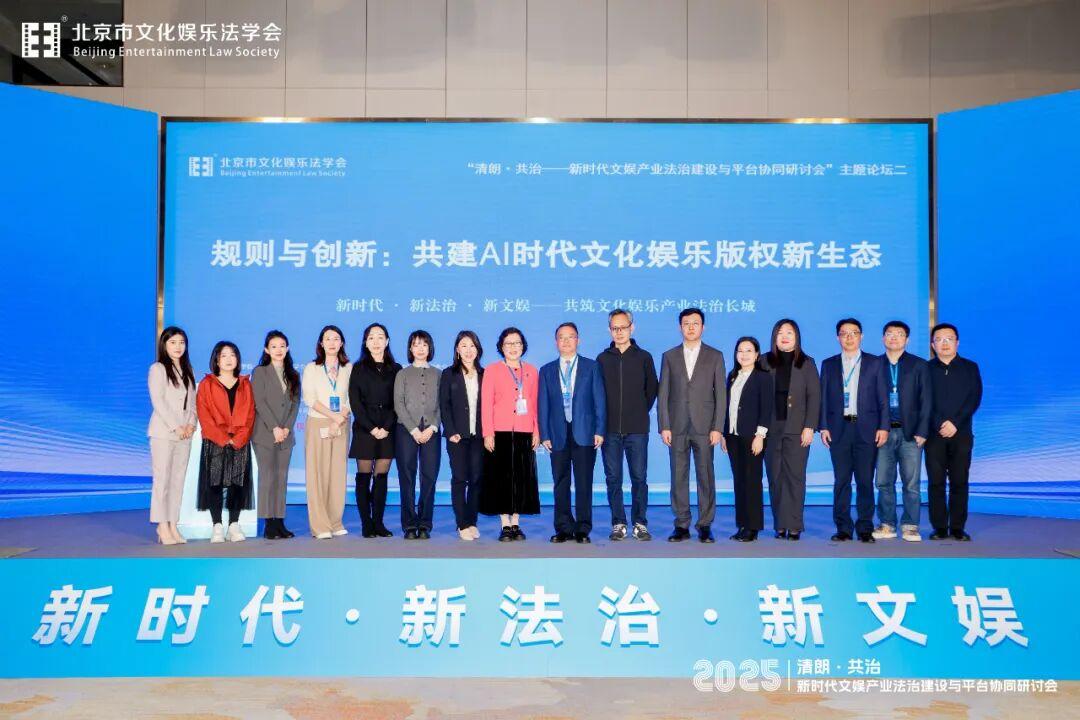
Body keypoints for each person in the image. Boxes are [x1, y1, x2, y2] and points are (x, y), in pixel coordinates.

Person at [657, 307, 727, 543]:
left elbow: (721, 395)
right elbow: (663, 393)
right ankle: (681, 524)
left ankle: (705, 524)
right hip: (676, 426)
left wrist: (717, 427)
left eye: (695, 323)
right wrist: (664, 425)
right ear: (680, 327)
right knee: (678, 476)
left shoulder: (715, 356)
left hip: (705, 427)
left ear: (703, 327)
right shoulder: (669, 356)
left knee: (705, 475)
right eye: (686, 323)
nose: (690, 327)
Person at [819, 318, 889, 543]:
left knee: (865, 480)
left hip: (867, 429)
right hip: (838, 429)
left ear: (861, 336)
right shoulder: (828, 364)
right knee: (841, 481)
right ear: (837, 337)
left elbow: (883, 398)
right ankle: (843, 528)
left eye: (854, 333)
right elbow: (823, 398)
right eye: (844, 333)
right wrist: (823, 426)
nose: (849, 337)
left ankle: (865, 527)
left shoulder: (875, 363)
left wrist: (884, 426)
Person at [539, 322, 606, 544]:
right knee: (560, 481)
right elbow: (543, 404)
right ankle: (563, 527)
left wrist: (600, 429)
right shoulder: (547, 370)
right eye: (562, 337)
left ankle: (583, 528)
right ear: (556, 342)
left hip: (585, 432)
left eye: (571, 337)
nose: (566, 341)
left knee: (584, 482)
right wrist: (544, 433)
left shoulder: (591, 366)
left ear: (578, 340)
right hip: (557, 433)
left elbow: (599, 401)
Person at [596, 308, 658, 541]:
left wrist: (638, 411)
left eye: (623, 327)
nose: (619, 332)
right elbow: (598, 394)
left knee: (639, 478)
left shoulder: (644, 357)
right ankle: (618, 522)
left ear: (632, 328)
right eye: (615, 328)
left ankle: (640, 523)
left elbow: (651, 390)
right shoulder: (602, 359)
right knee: (613, 478)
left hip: (637, 429)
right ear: (609, 330)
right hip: (610, 430)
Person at [759, 319, 819, 541]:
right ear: (774, 337)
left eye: (789, 333)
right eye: (780, 333)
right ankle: (780, 524)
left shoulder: (807, 363)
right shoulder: (764, 361)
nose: (784, 336)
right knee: (775, 477)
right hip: (770, 429)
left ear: (797, 337)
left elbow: (814, 396)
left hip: (797, 429)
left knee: (795, 478)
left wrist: (809, 426)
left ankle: (794, 525)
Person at [479, 327, 541, 541]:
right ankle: (505, 524)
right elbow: (486, 404)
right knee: (502, 478)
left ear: (523, 346)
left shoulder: (532, 371)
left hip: (525, 430)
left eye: (517, 343)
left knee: (521, 478)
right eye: (509, 343)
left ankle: (516, 523)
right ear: (501, 347)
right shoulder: (492, 370)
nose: (513, 347)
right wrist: (488, 433)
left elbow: (535, 403)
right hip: (500, 431)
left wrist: (536, 430)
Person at [872, 321, 931, 543]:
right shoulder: (874, 364)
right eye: (889, 334)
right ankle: (887, 523)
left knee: (911, 483)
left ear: (907, 339)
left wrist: (922, 431)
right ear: (883, 338)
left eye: (899, 334)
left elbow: (927, 400)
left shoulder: (919, 365)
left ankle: (910, 525)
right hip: (883, 432)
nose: (894, 337)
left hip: (911, 433)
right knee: (883, 481)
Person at [926, 323, 982, 541]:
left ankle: (958, 527)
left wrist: (955, 423)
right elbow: (922, 401)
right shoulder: (925, 369)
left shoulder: (970, 367)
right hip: (934, 435)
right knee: (936, 482)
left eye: (949, 338)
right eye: (939, 339)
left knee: (960, 481)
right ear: (933, 345)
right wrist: (939, 423)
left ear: (957, 342)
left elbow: (974, 398)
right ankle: (939, 527)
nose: (944, 343)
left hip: (962, 433)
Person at [195, 341, 256, 543]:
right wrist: (222, 438)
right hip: (215, 441)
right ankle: (217, 526)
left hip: (240, 441)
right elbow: (204, 415)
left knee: (237, 483)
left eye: (232, 355)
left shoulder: (245, 384)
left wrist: (238, 438)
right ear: (216, 360)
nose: (229, 359)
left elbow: (250, 415)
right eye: (224, 355)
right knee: (214, 483)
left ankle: (234, 525)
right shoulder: (207, 384)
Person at [348, 323, 401, 538]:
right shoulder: (358, 368)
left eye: (380, 337)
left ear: (387, 341)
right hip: (364, 428)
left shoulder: (396, 369)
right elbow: (355, 402)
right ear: (366, 342)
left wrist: (386, 427)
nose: (376, 341)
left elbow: (399, 401)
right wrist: (371, 428)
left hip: (388, 427)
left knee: (381, 477)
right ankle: (366, 524)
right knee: (364, 476)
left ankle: (378, 522)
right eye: (371, 337)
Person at [147, 326, 197, 545]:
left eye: (181, 342)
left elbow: (193, 403)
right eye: (173, 342)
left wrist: (191, 424)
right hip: (163, 432)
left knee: (178, 480)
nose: (178, 347)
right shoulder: (158, 369)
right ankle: (162, 525)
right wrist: (176, 427)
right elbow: (158, 401)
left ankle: (173, 524)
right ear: (164, 345)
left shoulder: (188, 369)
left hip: (185, 434)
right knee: (163, 480)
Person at [302, 325, 353, 540]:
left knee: (337, 474)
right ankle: (320, 525)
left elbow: (352, 397)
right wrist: (333, 417)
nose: (332, 343)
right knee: (317, 474)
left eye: (336, 338)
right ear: (321, 343)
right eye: (328, 339)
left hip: (342, 422)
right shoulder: (312, 368)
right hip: (318, 422)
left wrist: (340, 417)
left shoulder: (348, 368)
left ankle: (335, 521)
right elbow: (309, 398)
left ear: (342, 343)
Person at [721, 337, 773, 542]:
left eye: (749, 350)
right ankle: (742, 524)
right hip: (733, 436)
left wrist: (760, 435)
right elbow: (728, 408)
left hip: (753, 437)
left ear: (757, 354)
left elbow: (766, 408)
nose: (744, 354)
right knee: (739, 481)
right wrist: (725, 434)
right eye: (740, 351)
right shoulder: (733, 376)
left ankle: (753, 527)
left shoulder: (763, 377)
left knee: (752, 481)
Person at [251, 330, 301, 540]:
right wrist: (275, 427)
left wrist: (287, 428)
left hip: (286, 435)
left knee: (281, 478)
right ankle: (268, 523)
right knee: (267, 478)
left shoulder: (294, 374)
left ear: (287, 348)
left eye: (282, 346)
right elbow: (259, 402)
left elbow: (295, 404)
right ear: (266, 350)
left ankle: (279, 521)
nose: (278, 350)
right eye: (274, 346)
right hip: (265, 433)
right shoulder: (260, 372)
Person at [393, 330, 442, 540]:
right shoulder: (402, 374)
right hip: (406, 430)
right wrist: (413, 429)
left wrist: (432, 427)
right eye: (416, 344)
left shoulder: (439, 374)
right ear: (410, 348)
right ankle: (409, 524)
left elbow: (442, 404)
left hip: (432, 431)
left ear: (430, 348)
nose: (420, 348)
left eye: (424, 344)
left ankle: (425, 524)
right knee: (407, 476)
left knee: (429, 476)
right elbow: (398, 403)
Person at [439, 330, 485, 541]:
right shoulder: (449, 374)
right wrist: (450, 431)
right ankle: (462, 523)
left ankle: (472, 521)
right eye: (464, 346)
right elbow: (444, 405)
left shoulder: (485, 374)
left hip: (479, 436)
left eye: (472, 346)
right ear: (457, 349)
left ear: (478, 349)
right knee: (460, 478)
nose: (468, 350)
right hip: (457, 436)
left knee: (476, 478)